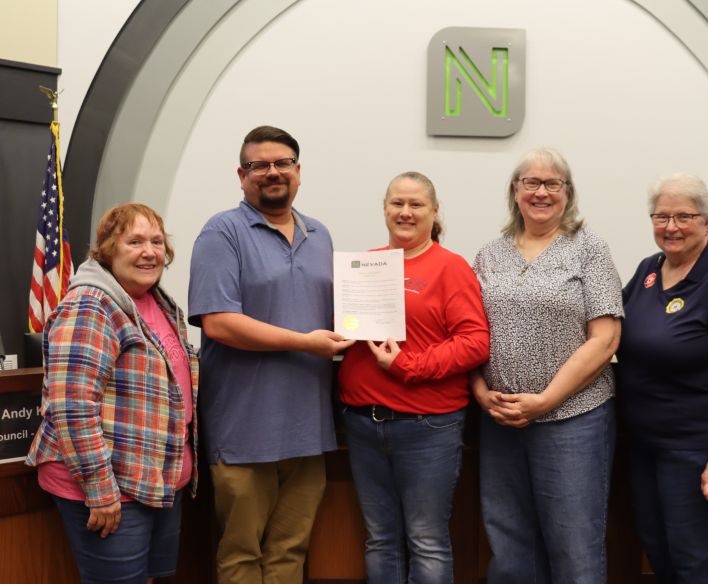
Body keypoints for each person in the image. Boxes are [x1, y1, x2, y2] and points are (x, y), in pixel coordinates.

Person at [188, 125, 354, 584]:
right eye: (260, 165)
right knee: (241, 554)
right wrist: (304, 342)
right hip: (244, 430)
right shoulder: (221, 232)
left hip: (308, 428)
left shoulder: (319, 234)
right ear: (241, 176)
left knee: (290, 553)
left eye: (282, 163)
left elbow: (336, 313)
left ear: (298, 172)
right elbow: (219, 322)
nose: (272, 172)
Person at [471, 148, 623, 583]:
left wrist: (545, 400)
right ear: (515, 192)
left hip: (572, 418)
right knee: (509, 546)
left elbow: (606, 338)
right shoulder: (489, 254)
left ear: (567, 193)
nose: (541, 192)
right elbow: (468, 331)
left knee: (574, 545)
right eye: (531, 183)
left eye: (552, 184)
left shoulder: (589, 249)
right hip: (501, 420)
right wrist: (482, 394)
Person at [25, 203, 198, 584]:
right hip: (111, 486)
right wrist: (101, 491)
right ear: (107, 250)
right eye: (134, 241)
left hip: (157, 481)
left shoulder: (157, 301)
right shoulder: (91, 304)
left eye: (156, 241)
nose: (149, 251)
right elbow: (71, 407)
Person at [338, 171, 490, 584]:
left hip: (427, 427)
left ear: (434, 212)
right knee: (380, 539)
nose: (405, 213)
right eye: (396, 204)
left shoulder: (451, 268)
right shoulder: (365, 264)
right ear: (385, 208)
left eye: (416, 205)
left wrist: (408, 366)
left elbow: (475, 342)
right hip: (362, 422)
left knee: (426, 540)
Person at [615, 174, 708, 584]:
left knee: (696, 561)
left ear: (707, 221)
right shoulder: (649, 270)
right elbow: (616, 332)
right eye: (661, 216)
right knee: (660, 550)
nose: (671, 226)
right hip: (649, 445)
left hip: (699, 447)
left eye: (684, 216)